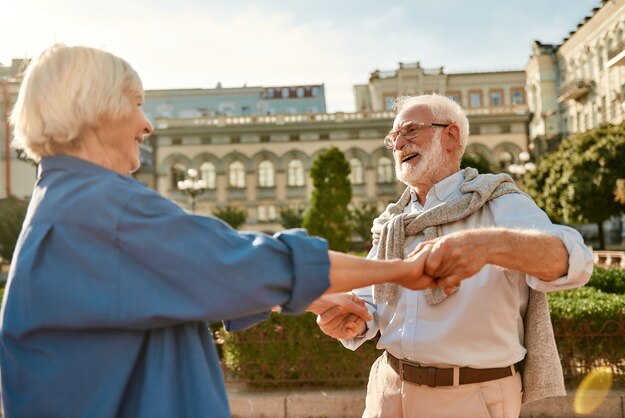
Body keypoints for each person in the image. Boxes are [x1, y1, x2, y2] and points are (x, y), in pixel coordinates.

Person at [0, 44, 437, 418]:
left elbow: (186, 282)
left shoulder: (66, 201)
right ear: (93, 108)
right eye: (135, 102)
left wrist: (312, 297)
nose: (146, 124)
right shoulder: (102, 206)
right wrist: (402, 271)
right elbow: (252, 262)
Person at [316, 94, 593, 418]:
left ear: (451, 135)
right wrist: (350, 320)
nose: (398, 144)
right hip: (387, 390)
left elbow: (575, 261)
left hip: (469, 398)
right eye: (393, 137)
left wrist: (487, 244)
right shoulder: (392, 222)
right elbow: (371, 306)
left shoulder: (496, 201)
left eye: (411, 131)